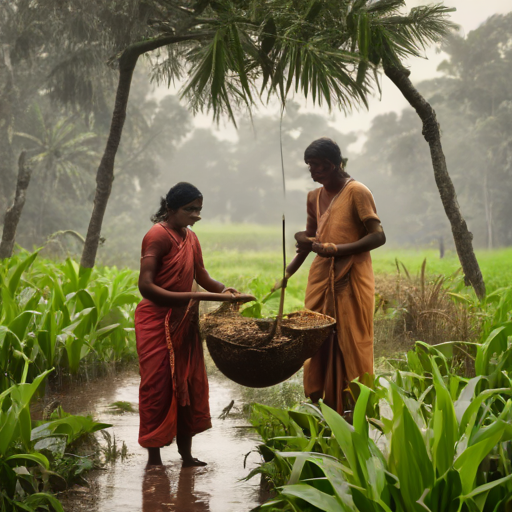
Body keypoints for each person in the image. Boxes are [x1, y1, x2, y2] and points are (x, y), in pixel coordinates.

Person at [135, 182, 254, 467]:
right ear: (170, 208)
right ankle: (154, 458)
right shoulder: (156, 236)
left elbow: (202, 275)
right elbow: (146, 286)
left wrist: (226, 291)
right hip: (157, 322)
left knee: (188, 382)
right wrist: (199, 295)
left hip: (184, 321)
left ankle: (186, 455)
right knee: (158, 386)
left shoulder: (190, 238)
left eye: (199, 210)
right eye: (190, 209)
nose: (196, 215)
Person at [277, 138, 386, 417]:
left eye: (318, 165)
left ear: (335, 164)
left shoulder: (357, 191)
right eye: (310, 166)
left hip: (352, 276)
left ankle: (356, 405)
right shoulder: (313, 197)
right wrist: (288, 272)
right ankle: (322, 404)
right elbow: (310, 240)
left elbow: (378, 236)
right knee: (318, 337)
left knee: (352, 337)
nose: (313, 171)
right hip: (321, 276)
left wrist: (337, 249)